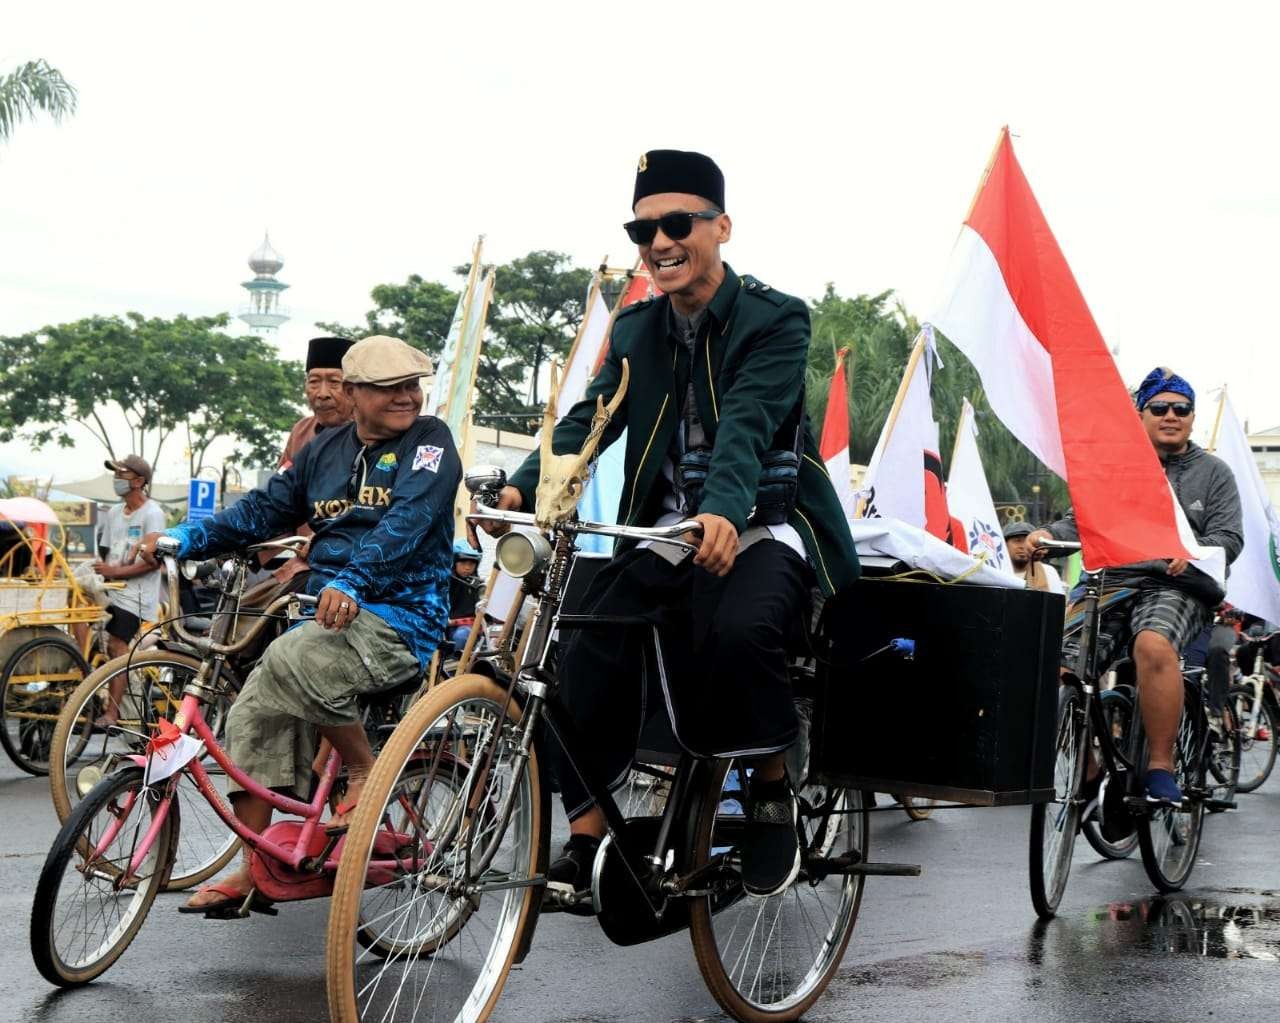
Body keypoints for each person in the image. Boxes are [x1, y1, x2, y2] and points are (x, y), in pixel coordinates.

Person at [479, 149, 858, 898]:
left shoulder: (775, 318)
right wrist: (525, 491)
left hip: (762, 520)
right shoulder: (637, 330)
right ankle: (586, 836)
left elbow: (748, 422)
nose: (659, 243)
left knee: (741, 632)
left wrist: (721, 509)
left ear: (721, 227)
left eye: (676, 224)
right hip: (670, 532)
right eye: (643, 229)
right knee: (581, 635)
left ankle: (773, 782)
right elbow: (587, 421)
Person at [132, 335, 459, 914]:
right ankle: (252, 868)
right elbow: (262, 511)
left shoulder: (429, 441)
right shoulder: (322, 450)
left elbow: (409, 521)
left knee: (290, 658)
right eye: (390, 389)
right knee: (254, 706)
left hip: (403, 614)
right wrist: (187, 536)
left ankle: (363, 770)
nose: (408, 398)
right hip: (328, 608)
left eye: (413, 386)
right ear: (354, 394)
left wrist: (354, 582)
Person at [1029, 367, 1243, 804]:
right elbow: (1079, 523)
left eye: (1181, 408)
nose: (1171, 415)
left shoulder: (1214, 472)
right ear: (1140, 415)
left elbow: (1229, 538)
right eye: (1160, 407)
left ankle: (1161, 768)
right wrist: (1043, 539)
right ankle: (1087, 767)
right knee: (1049, 659)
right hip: (1111, 579)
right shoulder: (1114, 469)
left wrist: (1196, 551)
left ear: (1191, 416)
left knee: (1151, 643)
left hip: (1178, 584)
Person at [76, 456, 167, 728]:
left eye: (122, 474)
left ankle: (113, 713)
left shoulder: (153, 514)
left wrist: (115, 571)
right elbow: (104, 553)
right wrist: (101, 569)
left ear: (138, 481)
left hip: (135, 596)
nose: (117, 479)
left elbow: (154, 563)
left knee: (118, 646)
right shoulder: (114, 513)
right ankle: (82, 672)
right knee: (78, 614)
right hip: (109, 590)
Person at [267, 335, 357, 585]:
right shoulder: (301, 431)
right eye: (314, 382)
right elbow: (278, 498)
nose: (322, 394)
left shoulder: (372, 435)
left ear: (354, 388)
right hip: (295, 558)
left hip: (345, 566)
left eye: (334, 382)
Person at [1003, 521, 1064, 594]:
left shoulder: (1048, 571)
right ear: (1005, 544)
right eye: (1017, 541)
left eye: (1027, 541)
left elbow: (1056, 602)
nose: (1022, 546)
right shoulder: (997, 571)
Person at [446, 540, 483, 652]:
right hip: (446, 627)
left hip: (468, 628)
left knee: (461, 636)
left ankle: (456, 665)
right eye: (463, 563)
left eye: (471, 564)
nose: (467, 568)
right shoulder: (445, 583)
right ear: (454, 562)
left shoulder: (478, 585)